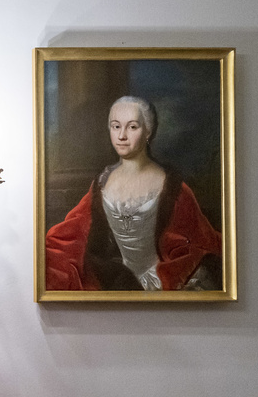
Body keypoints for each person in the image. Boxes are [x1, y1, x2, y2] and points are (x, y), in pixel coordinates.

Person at [44, 95, 221, 292]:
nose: (122, 136)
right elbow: (72, 230)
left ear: (148, 131)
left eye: (132, 127)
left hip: (165, 281)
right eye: (115, 126)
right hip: (118, 281)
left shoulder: (171, 185)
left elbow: (199, 237)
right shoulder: (102, 182)